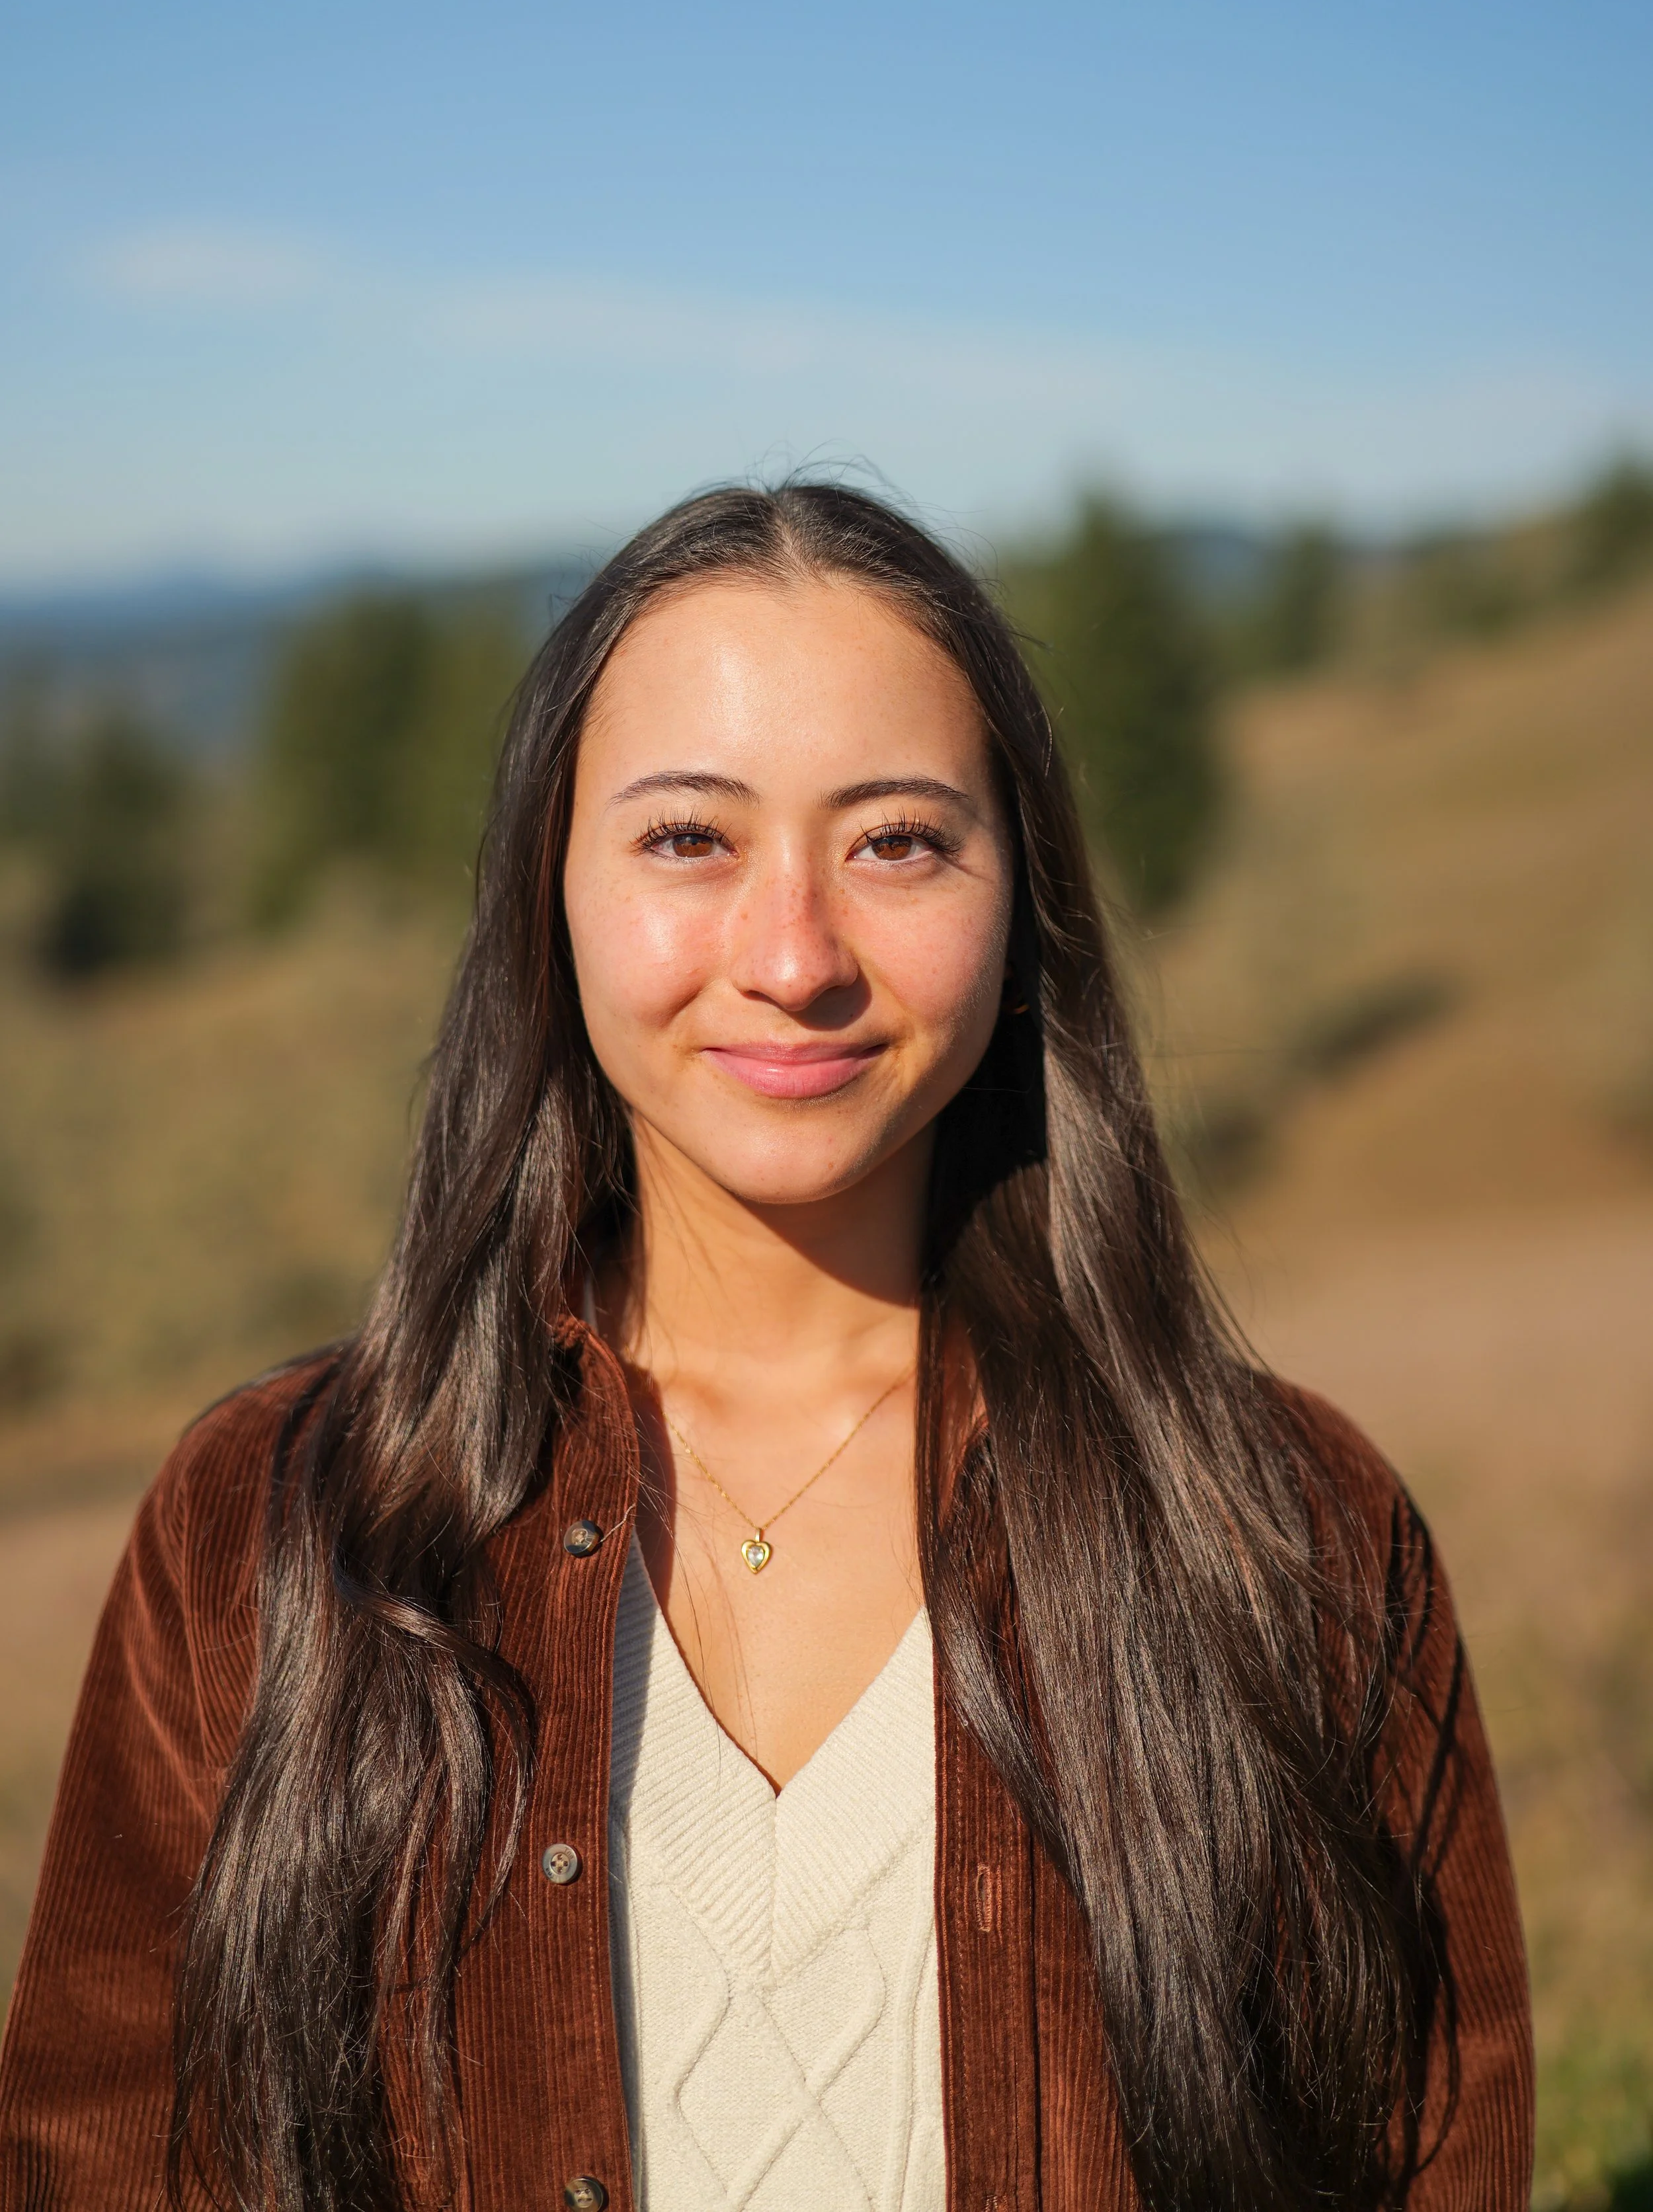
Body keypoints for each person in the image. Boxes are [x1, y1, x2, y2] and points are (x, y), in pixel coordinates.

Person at [0, 483, 1532, 2212]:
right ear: (547, 896)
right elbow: (100, 2156)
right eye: (687, 840)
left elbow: (1431, 2155)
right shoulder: (269, 1526)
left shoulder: (1282, 1524)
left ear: (1020, 899)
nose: (794, 954)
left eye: (894, 841)